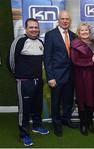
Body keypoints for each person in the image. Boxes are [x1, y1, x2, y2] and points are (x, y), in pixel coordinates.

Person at [8, 18, 49, 147]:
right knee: (24, 109)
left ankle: (37, 125)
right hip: (24, 82)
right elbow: (11, 61)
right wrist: (19, 76)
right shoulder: (19, 41)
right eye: (31, 27)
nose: (34, 29)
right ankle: (24, 134)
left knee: (37, 106)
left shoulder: (40, 42)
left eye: (36, 27)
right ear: (26, 28)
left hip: (38, 81)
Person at [44, 10, 76, 137]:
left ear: (69, 21)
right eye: (62, 19)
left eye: (67, 19)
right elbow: (47, 58)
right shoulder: (50, 35)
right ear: (58, 20)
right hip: (56, 76)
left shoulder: (73, 35)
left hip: (71, 75)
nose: (65, 21)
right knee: (56, 101)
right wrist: (50, 77)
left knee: (68, 100)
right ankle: (56, 123)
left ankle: (66, 119)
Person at [71, 23, 94, 136]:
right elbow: (75, 61)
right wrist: (92, 60)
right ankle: (83, 124)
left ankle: (90, 122)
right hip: (82, 77)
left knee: (92, 100)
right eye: (82, 30)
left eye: (86, 30)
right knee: (82, 100)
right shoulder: (75, 44)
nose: (85, 32)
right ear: (78, 33)